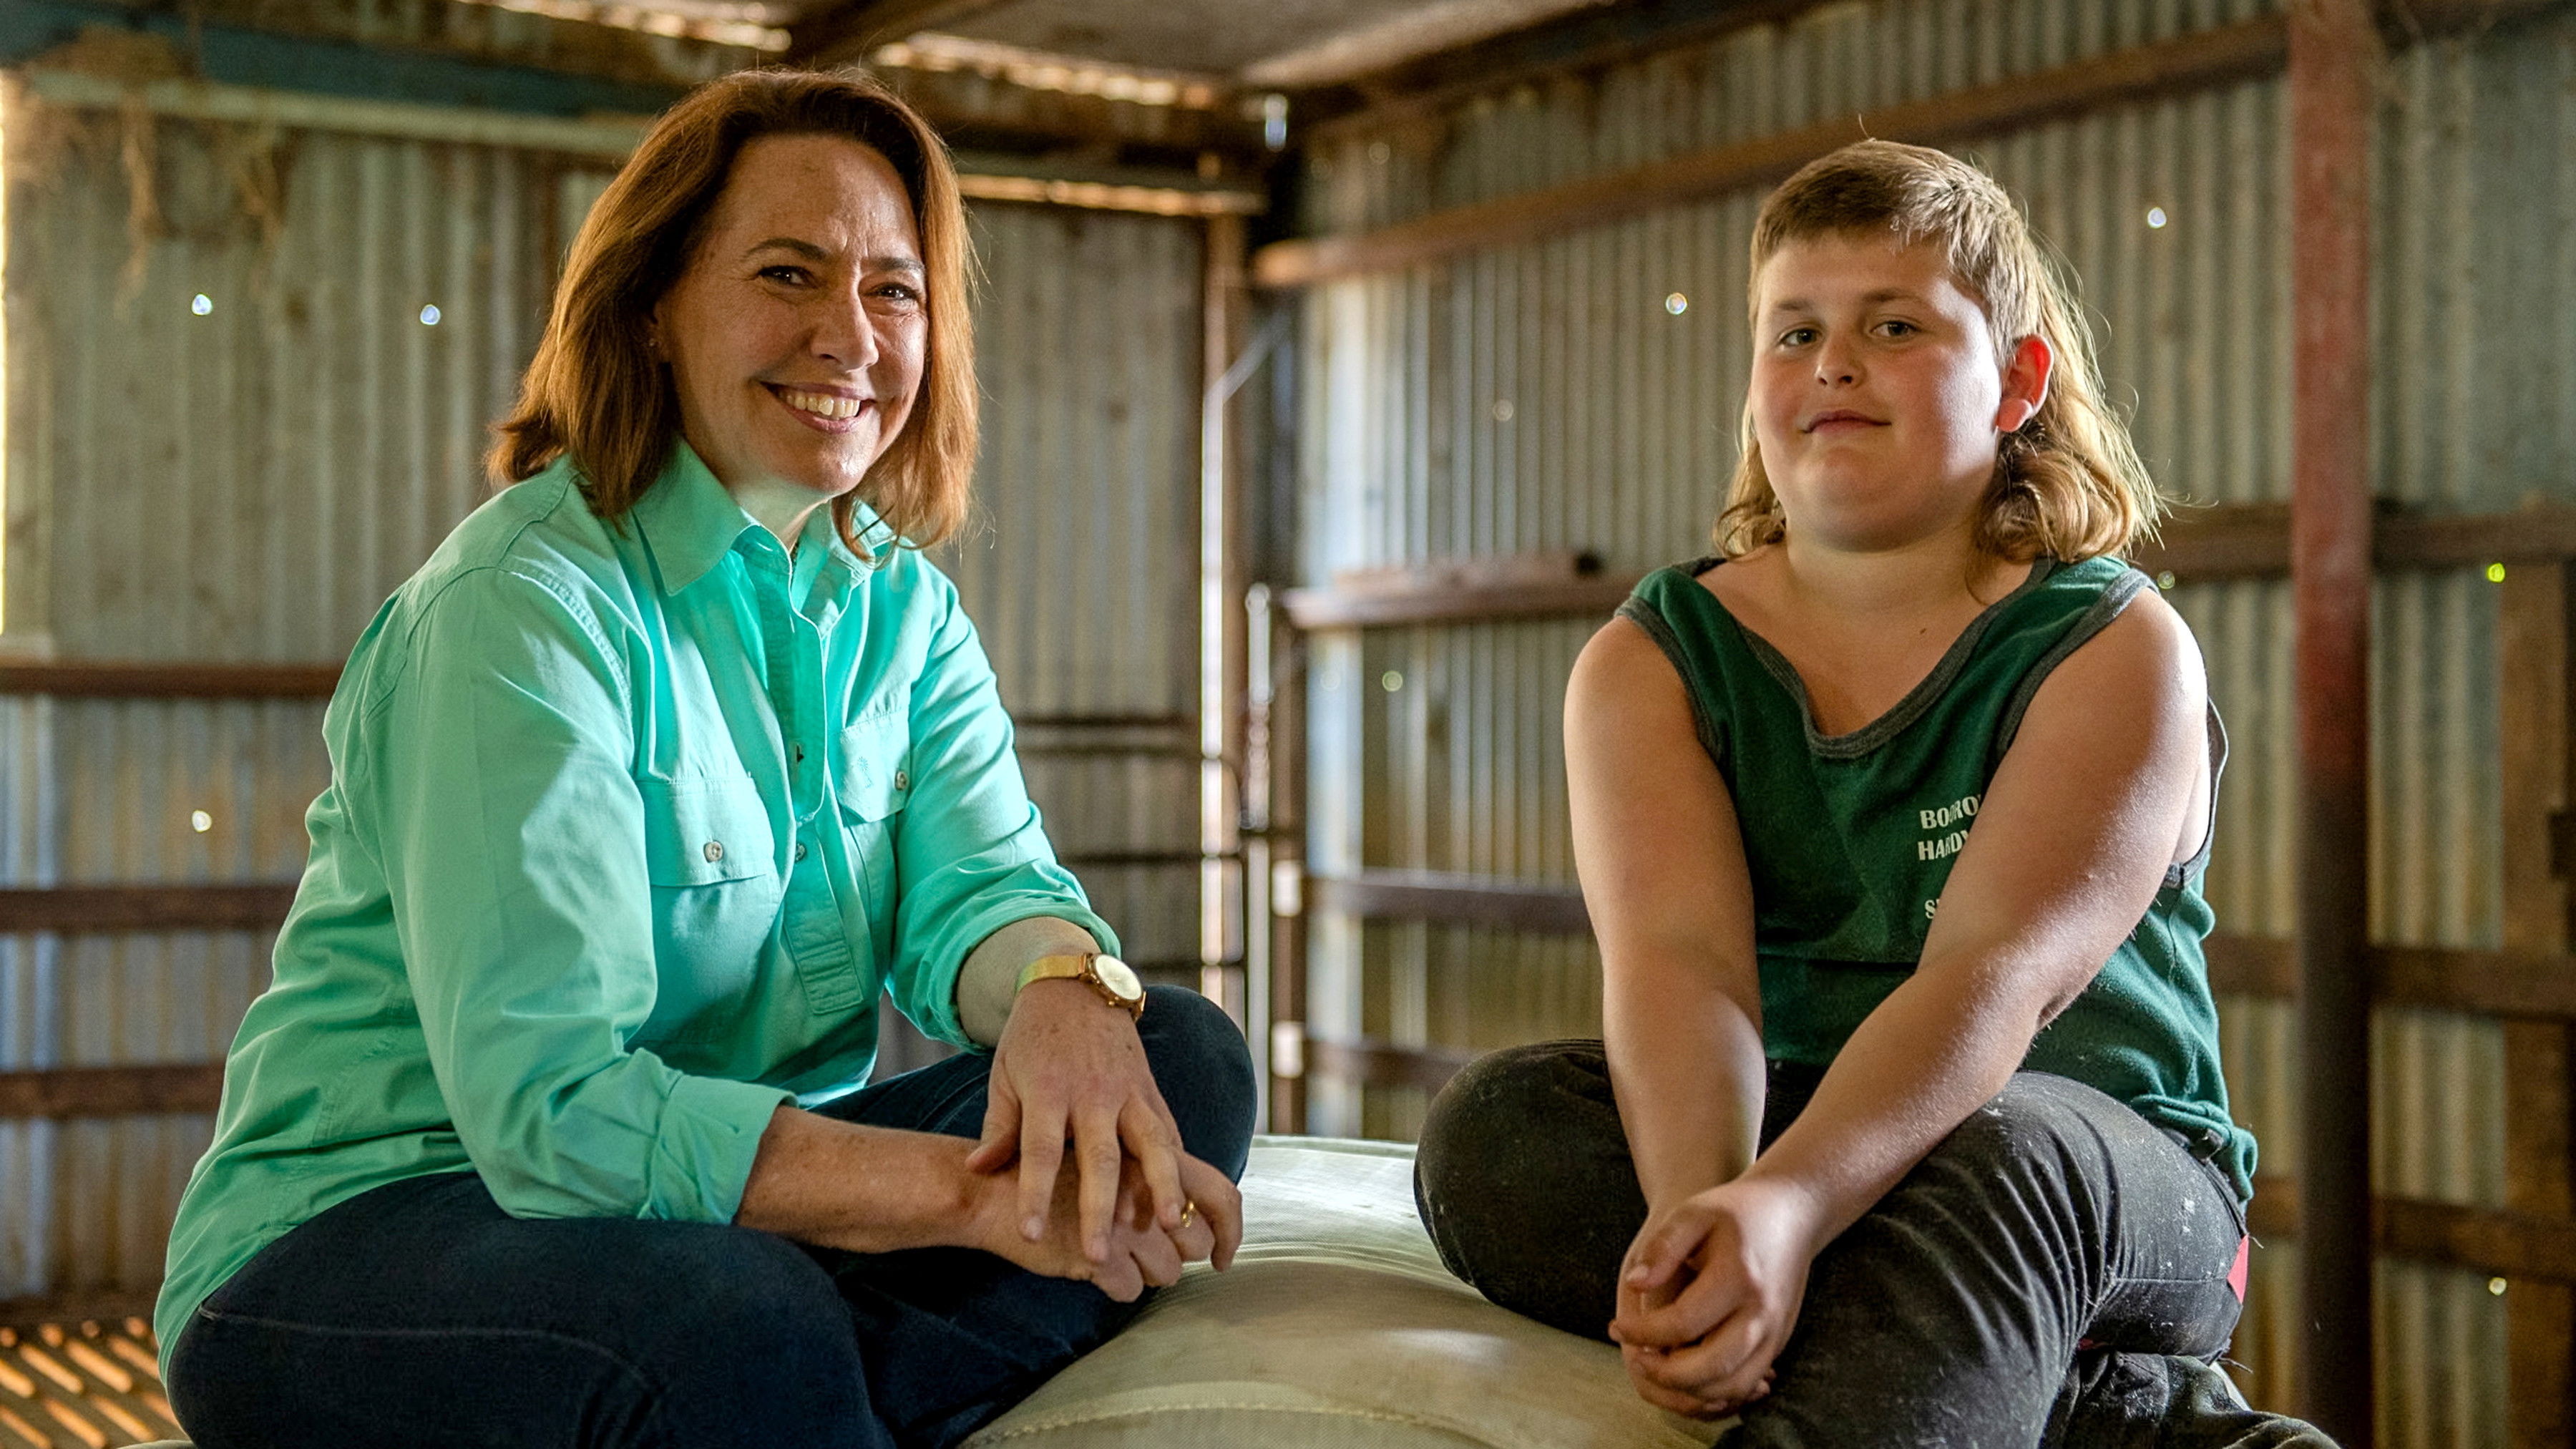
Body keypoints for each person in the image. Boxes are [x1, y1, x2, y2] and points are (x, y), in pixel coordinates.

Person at [155, 68, 1255, 1449]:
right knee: (735, 1322)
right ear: (655, 308)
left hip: (714, 1225)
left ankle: (786, 1408)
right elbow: (554, 1111)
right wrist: (978, 1201)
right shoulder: (524, 607)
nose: (848, 337)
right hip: (374, 1232)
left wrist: (1061, 994)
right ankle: (790, 1389)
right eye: (789, 273)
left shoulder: (900, 604)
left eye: (894, 291)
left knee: (1178, 1070)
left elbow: (983, 885)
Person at [1412, 141, 2327, 1445]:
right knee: (1495, 1135)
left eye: (1893, 325)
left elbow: (1991, 977)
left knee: (1992, 1163)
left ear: (2017, 382)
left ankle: (2092, 1367)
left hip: (2097, 1173)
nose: (1832, 363)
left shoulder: (2110, 646)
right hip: (1803, 1130)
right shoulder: (1653, 660)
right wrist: (1710, 1229)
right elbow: (1681, 970)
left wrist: (1792, 1210)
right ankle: (2107, 1417)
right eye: (1795, 333)